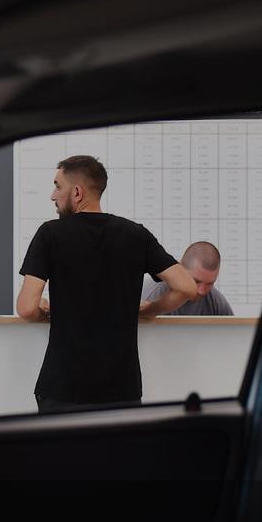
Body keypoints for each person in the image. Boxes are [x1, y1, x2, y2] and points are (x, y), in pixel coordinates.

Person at [16, 155, 196, 414]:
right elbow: (187, 287)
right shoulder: (136, 234)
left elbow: (26, 308)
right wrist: (150, 310)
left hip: (62, 387)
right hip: (121, 389)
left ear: (77, 192)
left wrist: (43, 311)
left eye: (57, 186)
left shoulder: (50, 233)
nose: (53, 196)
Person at [139, 241, 235, 318]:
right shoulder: (152, 295)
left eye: (210, 283)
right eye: (196, 281)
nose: (201, 291)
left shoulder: (216, 301)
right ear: (180, 268)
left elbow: (233, 334)